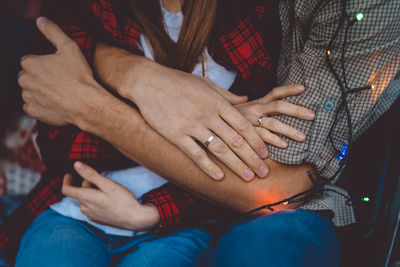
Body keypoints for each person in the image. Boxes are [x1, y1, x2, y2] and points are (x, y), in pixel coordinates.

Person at [4, 0, 400, 266]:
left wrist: (159, 210)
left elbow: (265, 177)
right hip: (77, 210)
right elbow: (59, 133)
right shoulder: (103, 16)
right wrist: (134, 88)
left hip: (181, 221)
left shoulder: (250, 26)